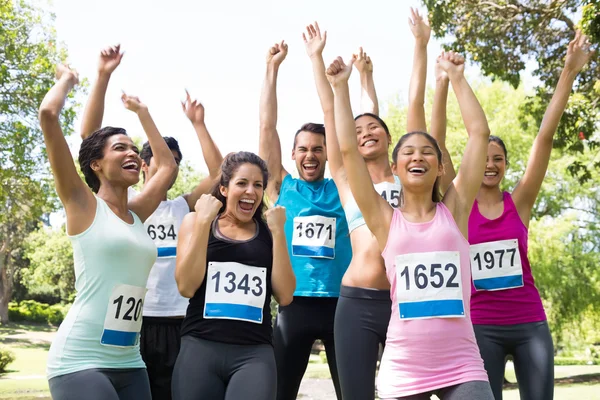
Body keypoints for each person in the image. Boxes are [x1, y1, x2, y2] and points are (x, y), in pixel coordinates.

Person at [432, 31, 595, 400]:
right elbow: (437, 144)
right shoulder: (458, 202)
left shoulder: (518, 202)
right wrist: (444, 81)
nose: (490, 165)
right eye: (484, 159)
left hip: (529, 323)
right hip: (480, 325)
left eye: (498, 160)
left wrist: (568, 71)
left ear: (505, 165)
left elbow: (544, 138)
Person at [327, 48, 495, 399]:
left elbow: (479, 135)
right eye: (408, 152)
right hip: (404, 369)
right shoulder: (384, 220)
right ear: (397, 167)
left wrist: (458, 78)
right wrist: (341, 89)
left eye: (427, 151)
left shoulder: (457, 209)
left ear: (440, 166)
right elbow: (347, 153)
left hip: (463, 364)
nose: (417, 155)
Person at [79, 47, 225, 399]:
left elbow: (219, 173)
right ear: (143, 164)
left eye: (174, 161)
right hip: (134, 322)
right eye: (160, 158)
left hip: (179, 320)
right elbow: (89, 143)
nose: (167, 165)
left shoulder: (182, 207)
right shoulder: (121, 209)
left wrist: (198, 124)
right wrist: (105, 80)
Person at [303, 12, 427, 398]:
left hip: (405, 299)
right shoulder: (345, 179)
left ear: (392, 139)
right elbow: (332, 117)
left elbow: (416, 109)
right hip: (357, 300)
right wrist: (321, 66)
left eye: (375, 127)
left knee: (409, 392)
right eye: (357, 131)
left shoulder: (410, 180)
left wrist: (419, 47)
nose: (366, 132)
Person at [40, 64, 177, 400]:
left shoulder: (136, 212)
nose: (131, 152)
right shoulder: (82, 204)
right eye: (120, 148)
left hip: (130, 360)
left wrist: (143, 112)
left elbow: (168, 165)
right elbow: (47, 114)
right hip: (79, 360)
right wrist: (68, 80)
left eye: (133, 148)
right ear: (96, 165)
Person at [257, 38, 352, 400]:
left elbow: (335, 118)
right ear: (293, 154)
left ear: (328, 153)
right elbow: (267, 129)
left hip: (342, 304)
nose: (310, 155)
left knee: (353, 392)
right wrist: (272, 68)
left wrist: (318, 60)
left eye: (317, 149)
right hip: (294, 304)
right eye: (303, 149)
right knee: (279, 392)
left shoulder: (342, 187)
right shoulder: (282, 187)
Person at [172, 151, 296, 400]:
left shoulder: (271, 232)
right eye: (242, 183)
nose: (251, 191)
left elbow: (284, 295)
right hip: (200, 347)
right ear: (224, 189)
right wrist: (204, 222)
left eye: (258, 185)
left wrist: (279, 233)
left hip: (254, 354)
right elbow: (186, 286)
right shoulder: (196, 221)